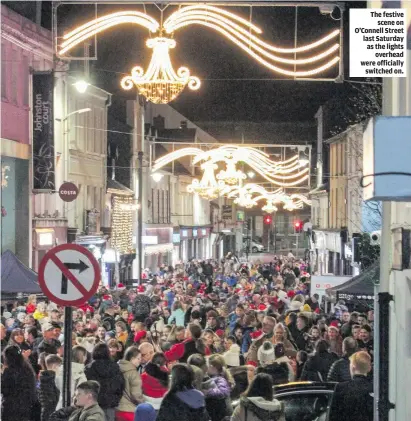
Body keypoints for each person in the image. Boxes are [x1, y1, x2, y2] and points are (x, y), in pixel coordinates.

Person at [85, 342, 125, 421]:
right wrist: (115, 399)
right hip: (110, 404)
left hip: (93, 404)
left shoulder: (89, 368)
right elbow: (120, 385)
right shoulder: (115, 367)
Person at [328, 351, 373, 421]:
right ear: (369, 368)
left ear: (353, 367)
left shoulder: (341, 388)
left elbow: (333, 416)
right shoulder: (373, 389)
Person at [1, 345, 37, 421]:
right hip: (26, 407)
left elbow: (4, 389)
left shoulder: (9, 371)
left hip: (11, 408)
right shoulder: (28, 370)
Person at [116, 346, 145, 421]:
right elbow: (136, 395)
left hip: (117, 409)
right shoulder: (133, 373)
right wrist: (143, 402)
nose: (140, 361)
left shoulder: (116, 368)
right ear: (132, 359)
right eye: (138, 358)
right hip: (129, 411)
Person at [38, 354, 62, 421]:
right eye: (59, 366)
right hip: (51, 413)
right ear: (54, 366)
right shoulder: (53, 379)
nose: (61, 369)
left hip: (45, 412)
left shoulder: (43, 377)